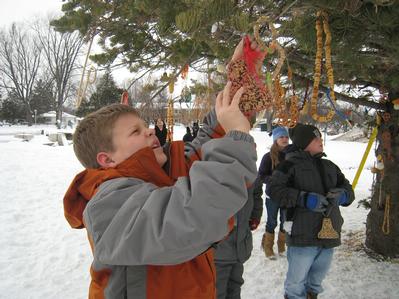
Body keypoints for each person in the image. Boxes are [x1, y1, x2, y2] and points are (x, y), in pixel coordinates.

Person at [63, 80, 257, 299]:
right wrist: (238, 135)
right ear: (107, 159)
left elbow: (206, 142)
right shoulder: (107, 205)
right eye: (136, 131)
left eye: (145, 125)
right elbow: (193, 216)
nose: (149, 131)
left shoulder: (162, 174)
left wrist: (240, 77)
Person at [269, 123, 355, 299]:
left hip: (329, 235)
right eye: (315, 138)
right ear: (304, 142)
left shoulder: (330, 165)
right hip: (302, 235)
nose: (320, 140)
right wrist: (302, 198)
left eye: (319, 137)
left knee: (315, 282)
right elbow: (273, 190)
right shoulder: (288, 165)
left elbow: (349, 189)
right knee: (295, 284)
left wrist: (344, 196)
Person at [258, 126, 290, 259]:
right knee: (272, 221)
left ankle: (282, 247)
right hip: (272, 195)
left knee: (285, 220)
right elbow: (261, 175)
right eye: (281, 137)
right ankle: (268, 247)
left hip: (287, 195)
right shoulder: (268, 157)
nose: (284, 139)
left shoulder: (291, 155)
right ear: (275, 139)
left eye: (286, 137)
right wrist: (272, 179)